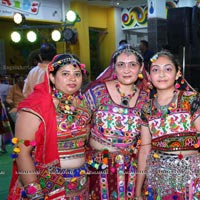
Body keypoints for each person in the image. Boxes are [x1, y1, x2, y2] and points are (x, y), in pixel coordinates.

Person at [8, 54, 91, 199]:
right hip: (46, 186)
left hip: (80, 185)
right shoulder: (35, 108)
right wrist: (35, 193)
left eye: (77, 74)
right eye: (65, 74)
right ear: (52, 77)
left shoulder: (82, 104)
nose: (73, 78)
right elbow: (22, 153)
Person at [135, 51, 200, 200]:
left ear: (178, 72)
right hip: (158, 180)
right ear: (148, 75)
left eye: (167, 69)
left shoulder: (191, 100)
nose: (161, 74)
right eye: (155, 70)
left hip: (190, 179)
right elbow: (145, 149)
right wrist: (138, 191)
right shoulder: (147, 108)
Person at [83, 45, 150, 200]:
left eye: (132, 64)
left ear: (140, 68)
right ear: (114, 68)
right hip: (99, 166)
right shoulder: (96, 92)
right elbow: (80, 130)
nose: (126, 70)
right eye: (121, 65)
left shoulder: (146, 100)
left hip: (130, 169)